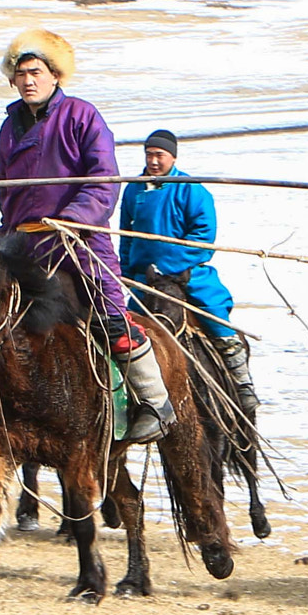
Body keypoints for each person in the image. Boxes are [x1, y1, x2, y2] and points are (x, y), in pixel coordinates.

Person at [0, 30, 174, 443]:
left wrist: (73, 219)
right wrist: (5, 233)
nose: (28, 81)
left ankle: (153, 402)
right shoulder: (8, 128)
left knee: (111, 318)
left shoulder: (82, 116)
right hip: (25, 245)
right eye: (20, 74)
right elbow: (6, 189)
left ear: (55, 75)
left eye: (36, 72)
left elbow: (103, 182)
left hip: (80, 242)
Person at [118, 129, 257, 415]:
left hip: (188, 272)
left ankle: (242, 383)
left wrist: (169, 266)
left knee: (216, 317)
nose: (154, 161)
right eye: (149, 155)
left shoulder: (192, 189)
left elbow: (204, 239)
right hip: (144, 280)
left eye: (160, 155)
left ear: (173, 156)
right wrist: (127, 270)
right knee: (123, 328)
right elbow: (126, 236)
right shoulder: (133, 190)